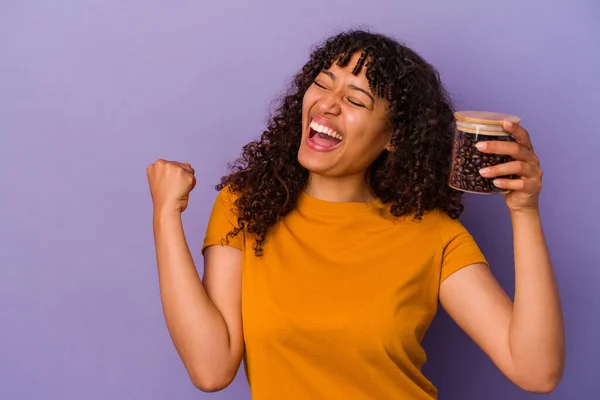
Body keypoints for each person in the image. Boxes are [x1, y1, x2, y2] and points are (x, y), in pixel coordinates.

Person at [146, 30, 564, 399]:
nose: (327, 105)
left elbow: (536, 372)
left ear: (394, 137)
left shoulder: (433, 234)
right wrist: (166, 215)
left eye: (354, 99)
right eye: (323, 84)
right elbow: (211, 369)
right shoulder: (246, 208)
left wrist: (524, 210)